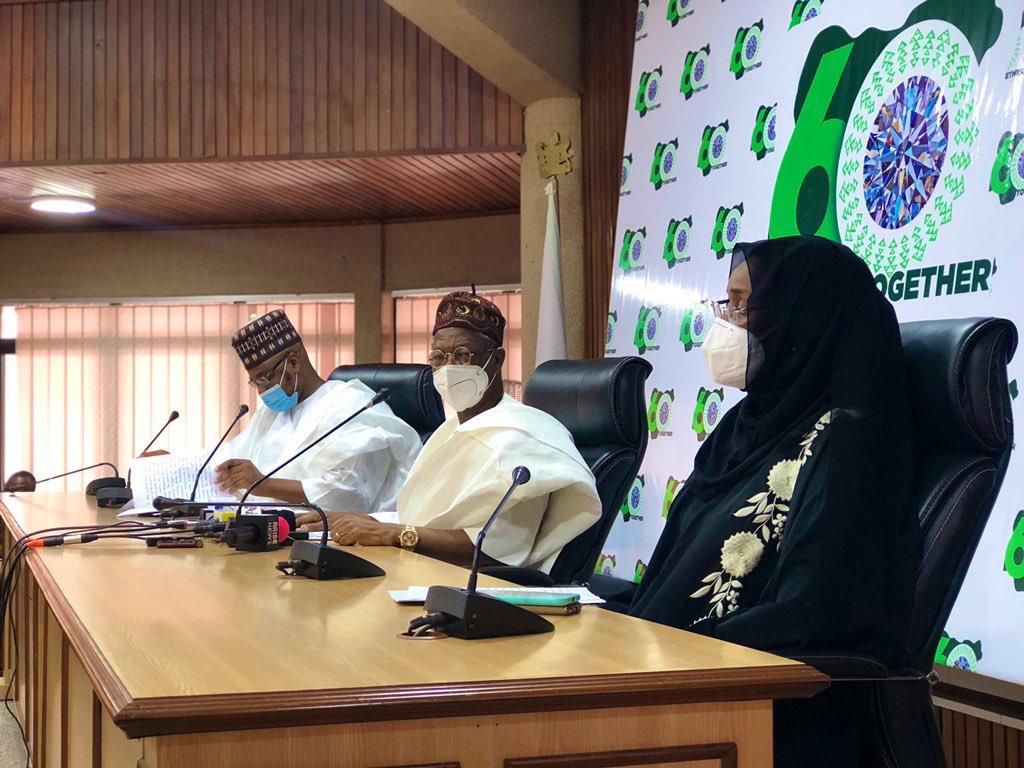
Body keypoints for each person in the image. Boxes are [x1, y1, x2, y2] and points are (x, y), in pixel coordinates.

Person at [628, 237, 920, 766]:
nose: (728, 322)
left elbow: (815, 611)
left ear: (800, 318)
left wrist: (678, 652)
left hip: (767, 716)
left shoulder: (847, 444)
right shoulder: (742, 426)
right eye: (727, 303)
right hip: (678, 684)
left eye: (746, 305)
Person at [298, 291, 601, 571]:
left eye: (462, 355)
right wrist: (360, 521)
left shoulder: (524, 436)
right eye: (438, 358)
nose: (448, 368)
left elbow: (496, 550)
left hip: (477, 592)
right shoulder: (449, 430)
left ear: (496, 360)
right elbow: (421, 521)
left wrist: (396, 533)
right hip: (423, 572)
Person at [214, 310, 421, 513]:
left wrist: (264, 485)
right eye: (255, 382)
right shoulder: (271, 415)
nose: (260, 391)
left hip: (334, 538)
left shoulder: (353, 405)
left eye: (264, 379)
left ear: (293, 363)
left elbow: (352, 494)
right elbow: (230, 462)